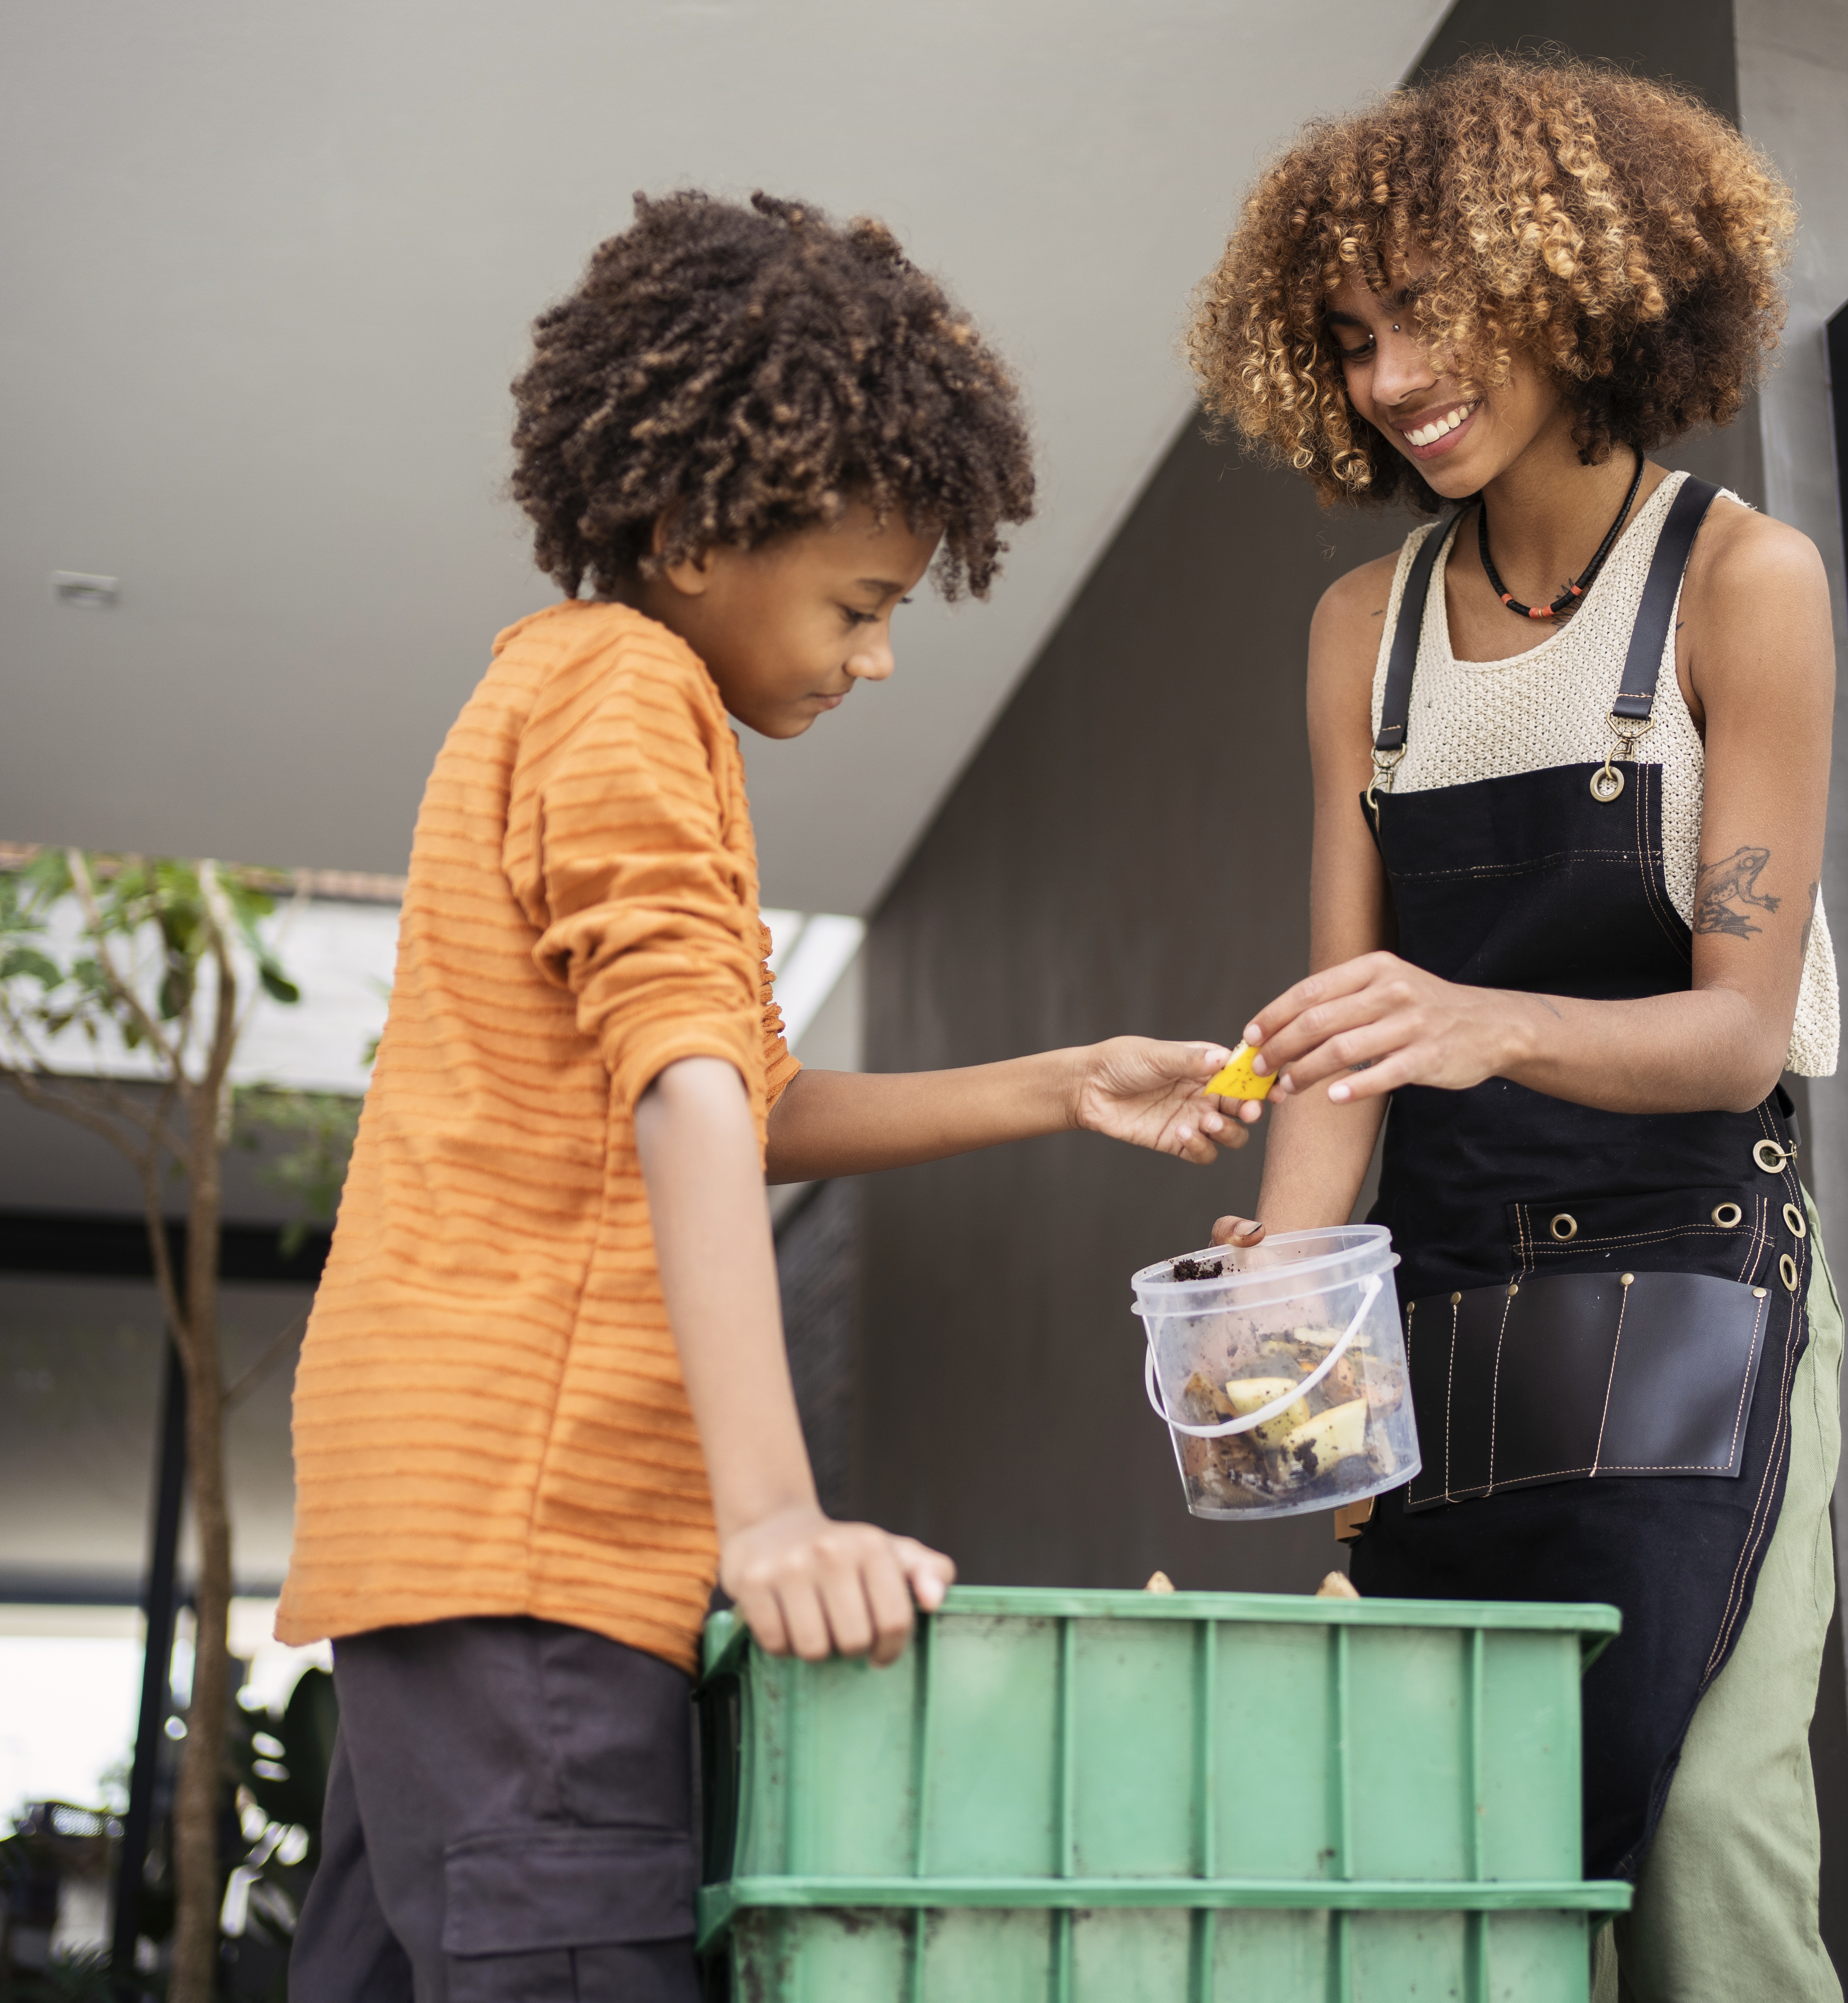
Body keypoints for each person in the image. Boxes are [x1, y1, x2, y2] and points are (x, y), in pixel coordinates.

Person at [276, 191, 1253, 2003]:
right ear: (693, 525)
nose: (877, 655)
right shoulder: (630, 693)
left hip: (449, 1547)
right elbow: (688, 1098)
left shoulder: (569, 699)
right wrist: (773, 1520)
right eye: (862, 602)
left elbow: (747, 1094)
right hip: (546, 1547)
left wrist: (1060, 1083)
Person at [1184, 56, 1847, 2002]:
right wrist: (1289, 1324)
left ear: (1583, 277)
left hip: (1704, 1293)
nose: (1392, 374)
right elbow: (1340, 1034)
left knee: (1710, 1840)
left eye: (1433, 312)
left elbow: (1737, 1043)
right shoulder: (1355, 634)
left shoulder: (1742, 584)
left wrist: (1467, 1016)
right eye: (1355, 335)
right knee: (1445, 1863)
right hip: (1455, 1319)